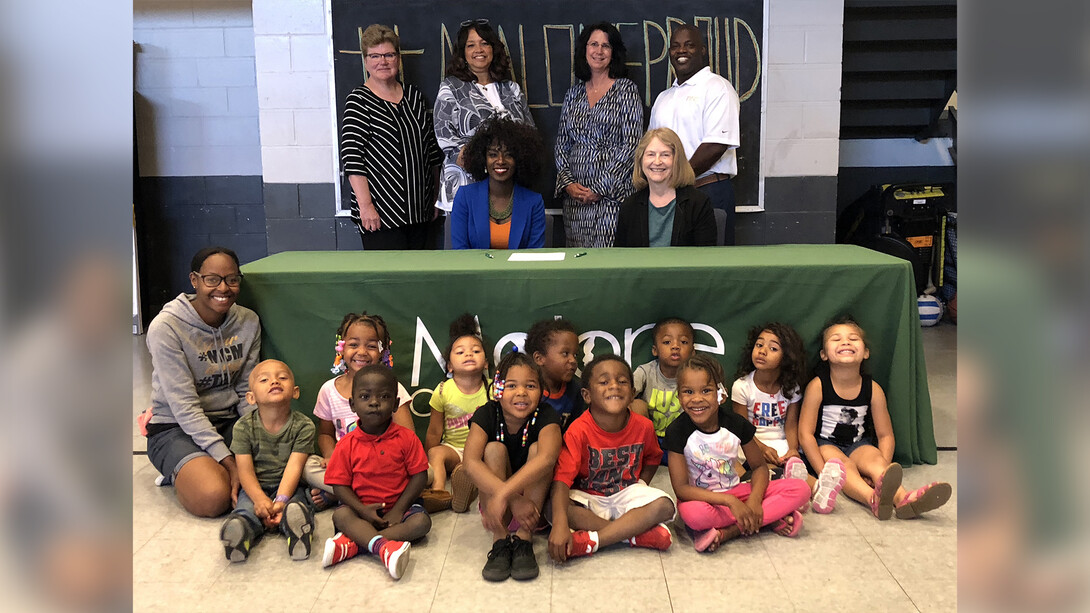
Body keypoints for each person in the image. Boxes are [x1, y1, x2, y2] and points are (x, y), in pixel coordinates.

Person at [145, 246, 261, 518]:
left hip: (229, 420)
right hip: (175, 427)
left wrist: (256, 435)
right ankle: (181, 470)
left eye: (232, 279)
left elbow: (246, 390)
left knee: (277, 463)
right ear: (194, 280)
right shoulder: (166, 327)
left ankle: (203, 467)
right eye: (212, 279)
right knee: (213, 498)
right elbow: (184, 405)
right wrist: (230, 461)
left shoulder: (248, 321)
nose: (223, 287)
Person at [798, 316, 953, 519]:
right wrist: (824, 473)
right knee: (844, 467)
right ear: (824, 354)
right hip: (826, 444)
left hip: (859, 444)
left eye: (853, 338)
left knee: (875, 461)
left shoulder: (873, 389)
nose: (845, 342)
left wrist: (884, 472)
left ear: (866, 352)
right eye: (836, 339)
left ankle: (904, 499)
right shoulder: (817, 386)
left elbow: (885, 435)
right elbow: (805, 433)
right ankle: (872, 498)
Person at [667, 355, 811, 552]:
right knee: (693, 515)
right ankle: (765, 520)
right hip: (704, 499)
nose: (697, 399)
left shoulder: (735, 424)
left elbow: (759, 467)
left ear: (721, 395)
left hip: (738, 491)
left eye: (706, 391)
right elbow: (682, 489)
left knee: (800, 489)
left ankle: (729, 531)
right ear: (679, 396)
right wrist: (730, 501)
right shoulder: (677, 431)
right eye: (688, 392)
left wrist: (754, 500)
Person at [548, 354, 676, 563]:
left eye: (622, 381)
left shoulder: (644, 426)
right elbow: (561, 481)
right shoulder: (578, 430)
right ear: (587, 395)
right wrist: (561, 524)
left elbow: (653, 458)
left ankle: (595, 539)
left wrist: (641, 485)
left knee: (665, 505)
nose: (614, 386)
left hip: (626, 494)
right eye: (604, 382)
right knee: (554, 509)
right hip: (588, 498)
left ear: (633, 393)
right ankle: (633, 534)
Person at [321, 366, 432, 578]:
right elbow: (339, 486)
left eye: (384, 396)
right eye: (365, 396)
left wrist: (398, 510)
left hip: (398, 509)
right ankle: (383, 547)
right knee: (341, 515)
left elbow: (420, 476)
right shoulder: (346, 444)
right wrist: (362, 510)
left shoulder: (407, 438)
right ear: (353, 405)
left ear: (396, 404)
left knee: (421, 523)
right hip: (360, 511)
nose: (374, 402)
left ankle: (357, 543)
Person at [463, 351, 563, 581]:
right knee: (493, 449)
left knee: (539, 450)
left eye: (530, 386)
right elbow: (469, 463)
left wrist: (508, 495)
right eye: (511, 386)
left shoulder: (547, 414)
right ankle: (500, 539)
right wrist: (510, 498)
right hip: (498, 507)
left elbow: (548, 458)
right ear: (498, 390)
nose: (521, 393)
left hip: (532, 509)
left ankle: (523, 539)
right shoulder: (487, 413)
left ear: (541, 391)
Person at [341, 24, 443, 250]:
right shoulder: (359, 101)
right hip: (381, 217)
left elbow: (431, 152)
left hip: (421, 213)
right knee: (389, 283)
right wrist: (366, 206)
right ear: (366, 61)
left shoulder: (415, 97)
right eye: (374, 56)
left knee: (420, 280)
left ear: (398, 58)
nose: (382, 62)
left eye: (388, 54)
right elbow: (352, 158)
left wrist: (435, 197)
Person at [303, 312, 416, 509]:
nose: (361, 352)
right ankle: (359, 496)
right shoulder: (329, 390)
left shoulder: (393, 388)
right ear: (341, 347)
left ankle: (341, 496)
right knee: (308, 466)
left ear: (384, 350)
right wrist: (331, 456)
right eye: (354, 344)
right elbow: (325, 434)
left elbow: (409, 437)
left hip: (385, 469)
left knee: (426, 471)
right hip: (347, 468)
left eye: (371, 346)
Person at [554, 22, 644, 248]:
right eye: (594, 44)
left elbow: (632, 144)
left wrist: (600, 188)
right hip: (576, 199)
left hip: (612, 197)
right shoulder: (573, 94)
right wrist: (568, 183)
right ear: (584, 50)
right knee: (578, 263)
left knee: (609, 263)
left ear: (613, 53)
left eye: (606, 46)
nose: (599, 51)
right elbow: (562, 143)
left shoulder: (626, 90)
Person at [648, 24, 740, 243]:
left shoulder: (718, 88)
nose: (681, 51)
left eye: (689, 45)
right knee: (675, 268)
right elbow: (652, 149)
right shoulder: (663, 98)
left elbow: (715, 146)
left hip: (708, 192)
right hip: (669, 195)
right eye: (676, 46)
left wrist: (674, 180)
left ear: (703, 50)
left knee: (712, 269)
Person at [435, 19, 535, 217]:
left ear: (493, 49)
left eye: (484, 43)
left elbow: (530, 134)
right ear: (462, 53)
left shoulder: (511, 89)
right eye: (471, 45)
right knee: (470, 247)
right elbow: (445, 138)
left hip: (510, 191)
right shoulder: (451, 88)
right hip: (465, 189)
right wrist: (487, 166)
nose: (478, 49)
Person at [218, 360, 316, 562]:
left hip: (289, 486)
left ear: (295, 392)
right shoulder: (243, 427)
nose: (274, 381)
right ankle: (240, 535)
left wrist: (281, 500)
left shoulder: (304, 426)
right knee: (245, 511)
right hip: (254, 486)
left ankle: (297, 533)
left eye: (282, 377)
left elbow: (295, 467)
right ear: (251, 397)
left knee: (297, 506)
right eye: (264, 379)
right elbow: (244, 471)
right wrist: (260, 499)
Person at [424, 314, 491, 512]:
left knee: (496, 452)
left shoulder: (493, 391)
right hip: (453, 450)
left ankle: (472, 485)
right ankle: (438, 493)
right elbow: (434, 431)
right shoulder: (443, 390)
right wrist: (428, 458)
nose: (468, 355)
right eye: (460, 352)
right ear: (450, 366)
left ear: (486, 362)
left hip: (482, 452)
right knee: (436, 452)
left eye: (476, 351)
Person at [451, 117, 546, 249]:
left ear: (520, 159)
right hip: (474, 269)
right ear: (483, 159)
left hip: (519, 270)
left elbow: (535, 257)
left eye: (509, 155)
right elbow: (459, 251)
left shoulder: (534, 202)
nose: (501, 161)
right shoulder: (465, 197)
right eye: (493, 155)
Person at [614, 128, 717, 247]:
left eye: (665, 155)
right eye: (651, 154)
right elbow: (620, 256)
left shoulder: (698, 203)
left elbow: (705, 258)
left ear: (677, 160)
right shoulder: (629, 206)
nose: (657, 162)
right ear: (641, 160)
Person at [730, 323, 809, 478]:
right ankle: (789, 485)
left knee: (794, 468)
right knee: (771, 470)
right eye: (759, 345)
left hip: (780, 444)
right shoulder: (742, 386)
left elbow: (791, 425)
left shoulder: (792, 388)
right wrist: (762, 448)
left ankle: (819, 489)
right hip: (752, 444)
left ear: (786, 357)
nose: (762, 351)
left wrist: (793, 449)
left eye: (773, 348)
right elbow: (742, 429)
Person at [631, 317, 697, 442]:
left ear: (693, 351)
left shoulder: (697, 375)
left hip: (684, 440)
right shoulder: (646, 371)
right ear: (655, 350)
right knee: (636, 404)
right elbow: (624, 394)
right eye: (667, 342)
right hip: (651, 439)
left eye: (683, 342)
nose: (675, 346)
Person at [525, 318, 585, 430]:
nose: (573, 360)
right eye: (565, 353)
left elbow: (576, 430)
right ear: (539, 358)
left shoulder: (575, 391)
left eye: (575, 355)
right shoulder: (526, 391)